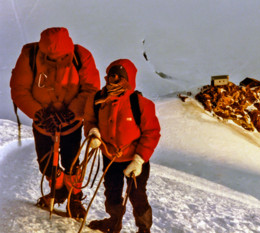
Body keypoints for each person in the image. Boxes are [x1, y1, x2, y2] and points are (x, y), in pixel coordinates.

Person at [10, 27, 100, 218]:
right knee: (46, 163)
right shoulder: (30, 55)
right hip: (43, 124)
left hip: (71, 123)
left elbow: (90, 89)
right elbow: (19, 89)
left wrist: (71, 114)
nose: (56, 61)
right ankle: (58, 191)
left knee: (72, 163)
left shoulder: (81, 56)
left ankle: (74, 199)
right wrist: (39, 114)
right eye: (50, 58)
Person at [84, 59, 161, 233]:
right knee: (112, 191)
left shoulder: (141, 103)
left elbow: (152, 132)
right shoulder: (97, 99)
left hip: (134, 158)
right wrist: (93, 133)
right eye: (112, 75)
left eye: (120, 76)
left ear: (129, 78)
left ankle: (144, 229)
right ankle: (114, 222)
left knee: (137, 194)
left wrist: (139, 160)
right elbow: (89, 121)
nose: (115, 79)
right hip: (109, 155)